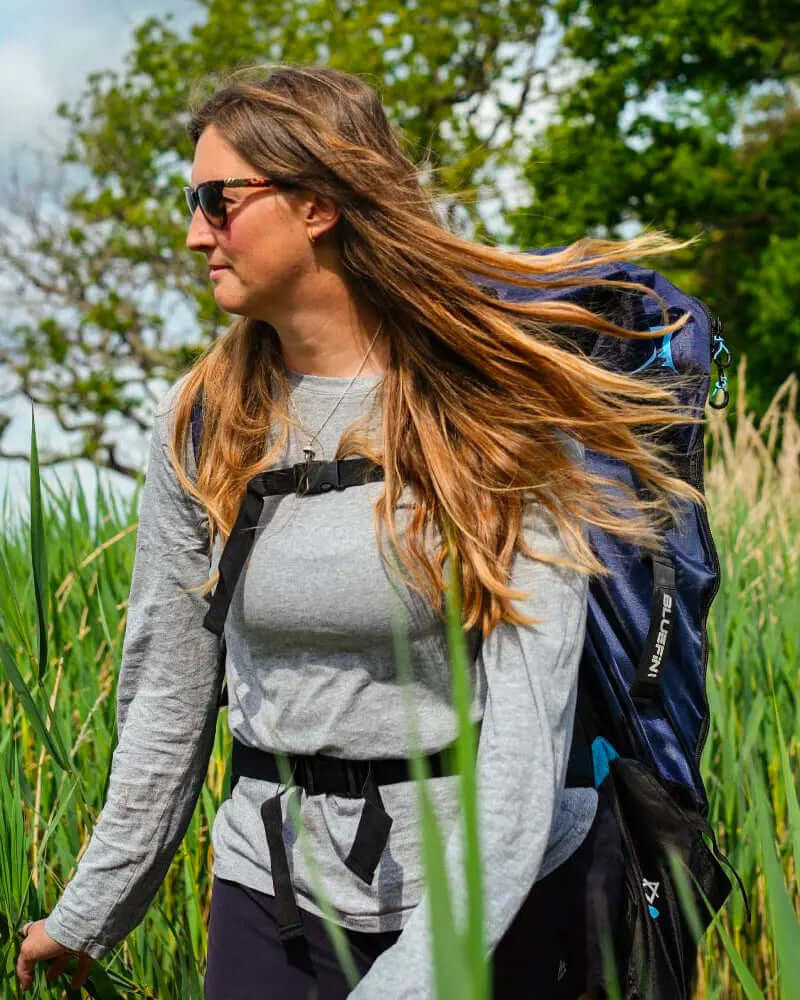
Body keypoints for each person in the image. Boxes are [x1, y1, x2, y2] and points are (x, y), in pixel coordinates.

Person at [17, 63, 700, 999]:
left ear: (318, 205)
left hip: (494, 887)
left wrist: (416, 980)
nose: (193, 232)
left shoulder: (494, 416)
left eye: (219, 200)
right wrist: (92, 912)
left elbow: (522, 750)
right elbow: (167, 698)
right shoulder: (203, 420)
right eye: (192, 200)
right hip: (273, 887)